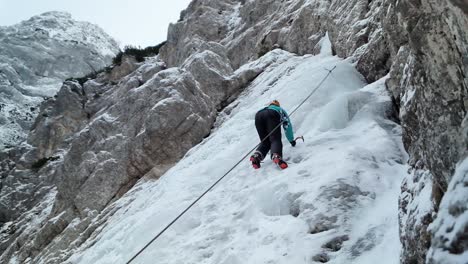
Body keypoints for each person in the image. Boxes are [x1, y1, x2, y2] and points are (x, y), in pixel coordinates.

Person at [250, 100, 295, 169]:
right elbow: (287, 126)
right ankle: (276, 155)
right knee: (275, 139)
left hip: (258, 116)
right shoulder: (280, 110)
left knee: (265, 141)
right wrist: (291, 140)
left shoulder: (263, 109)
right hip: (271, 114)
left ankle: (257, 156)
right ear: (278, 105)